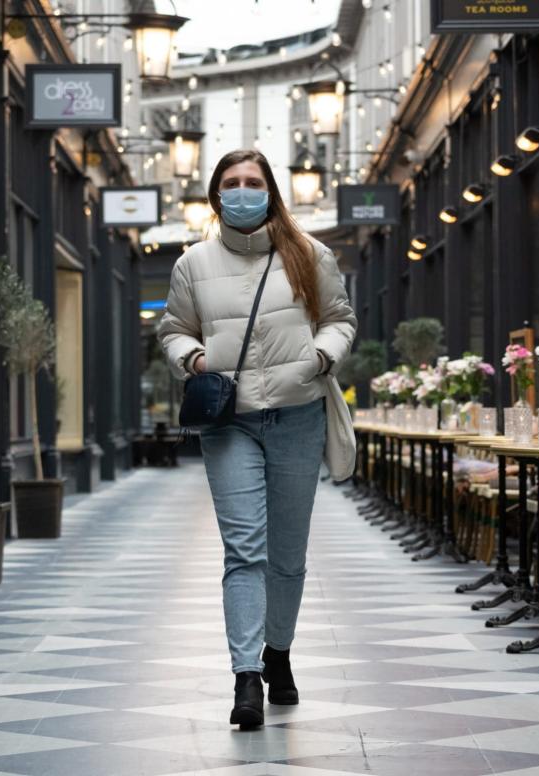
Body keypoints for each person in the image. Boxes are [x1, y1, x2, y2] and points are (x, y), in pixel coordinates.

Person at [157, 149, 357, 729]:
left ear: (271, 190)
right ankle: (246, 676)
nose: (243, 191)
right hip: (230, 420)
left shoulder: (309, 255)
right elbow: (173, 328)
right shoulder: (192, 263)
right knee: (245, 550)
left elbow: (339, 318)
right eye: (232, 183)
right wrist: (191, 357)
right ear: (215, 195)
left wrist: (321, 355)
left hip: (298, 413)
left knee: (287, 554)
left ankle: (280, 654)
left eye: (253, 182)